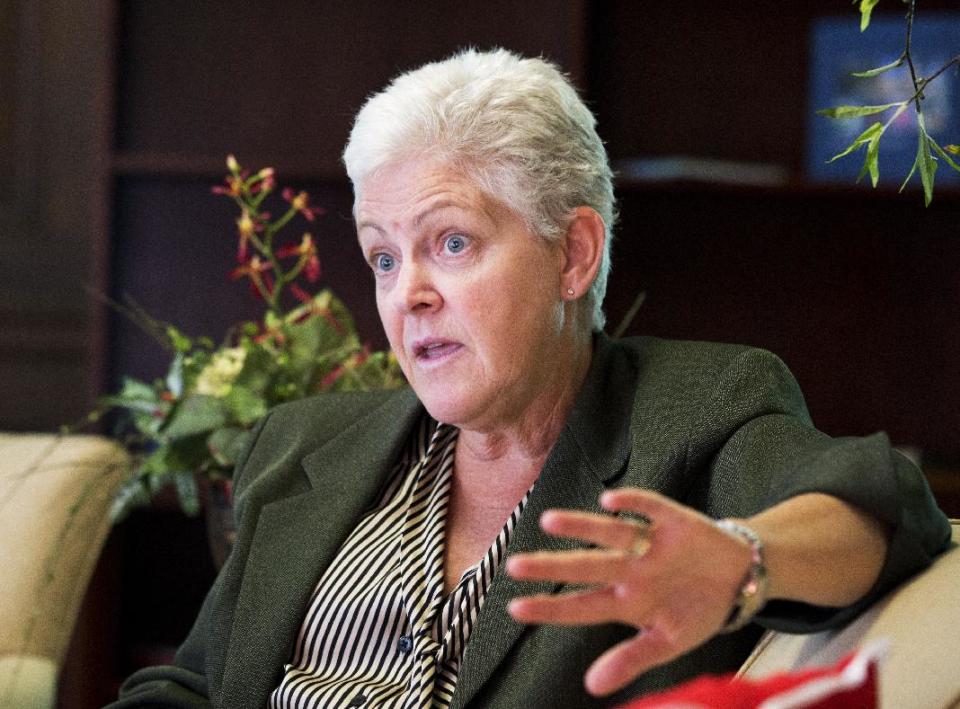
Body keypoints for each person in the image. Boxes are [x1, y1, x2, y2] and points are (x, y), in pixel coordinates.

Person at [110, 49, 950, 708]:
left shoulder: (697, 409)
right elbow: (194, 688)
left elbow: (882, 509)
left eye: (452, 243)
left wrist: (741, 561)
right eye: (383, 256)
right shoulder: (302, 444)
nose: (408, 295)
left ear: (572, 253)